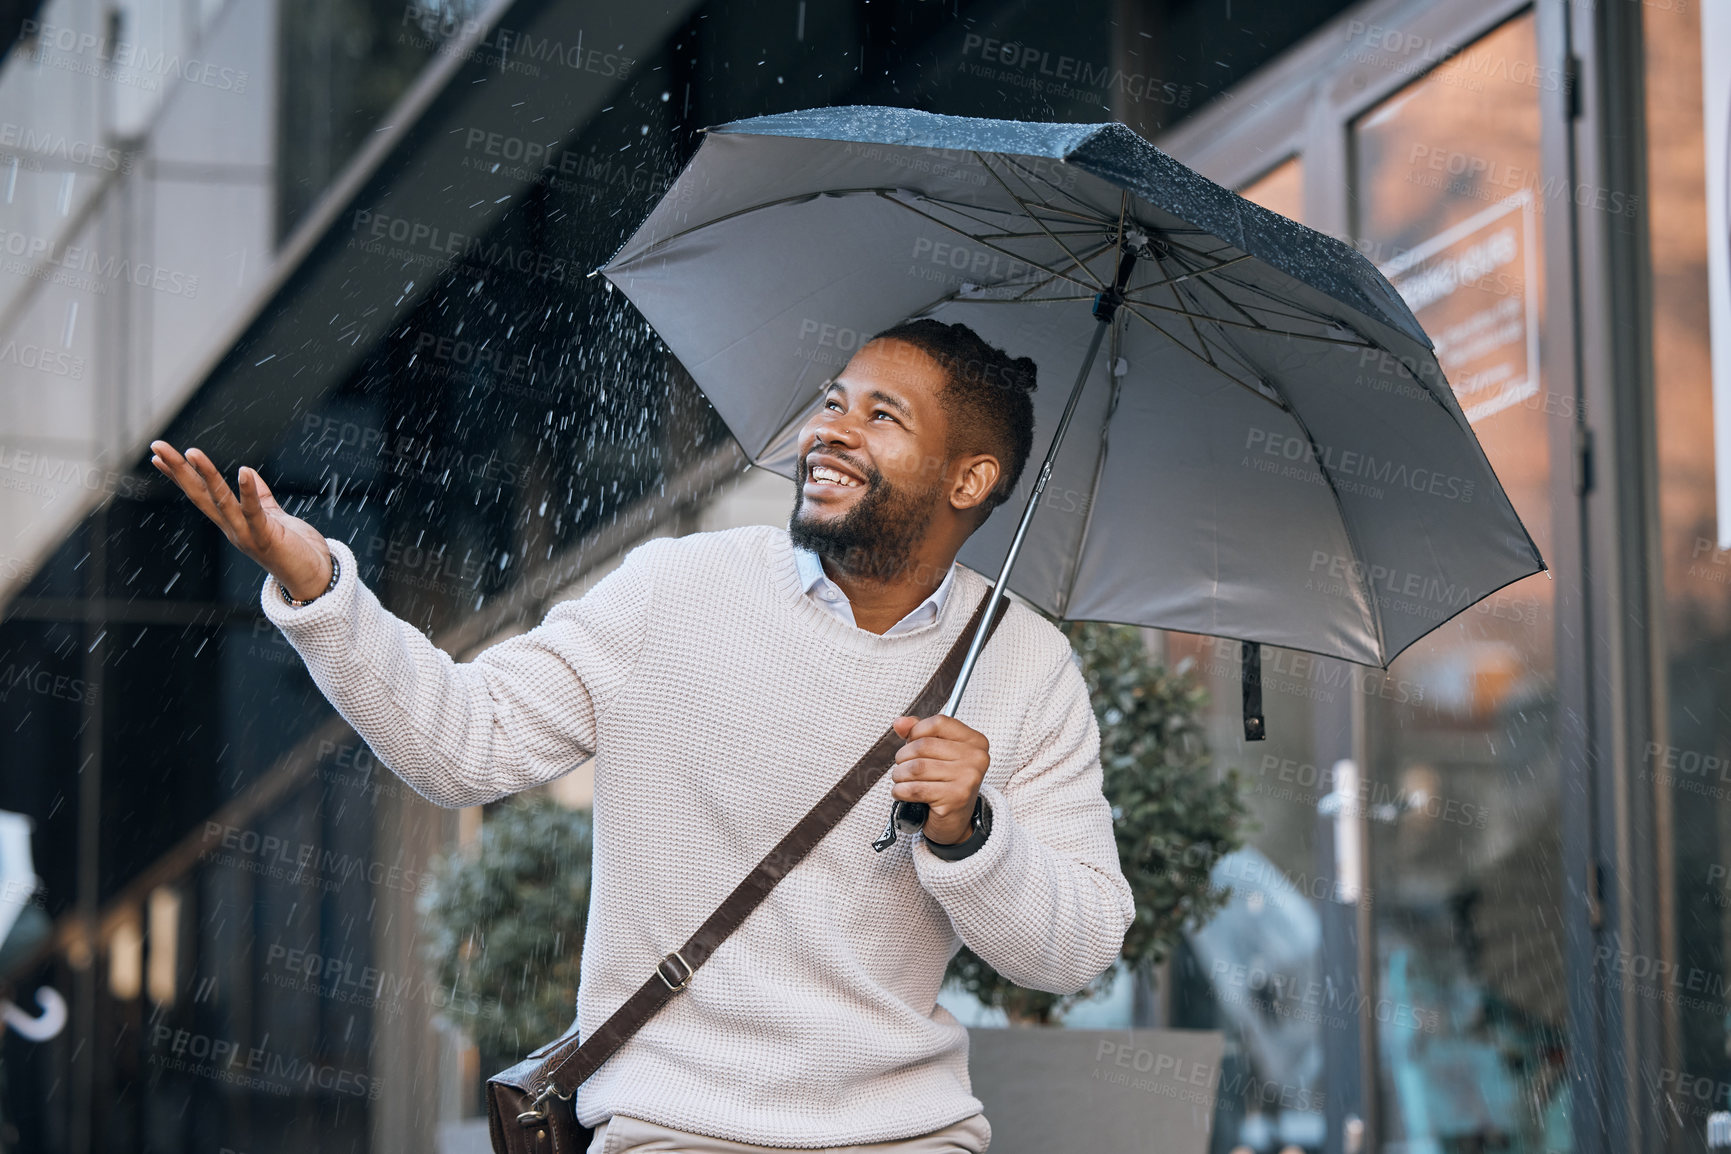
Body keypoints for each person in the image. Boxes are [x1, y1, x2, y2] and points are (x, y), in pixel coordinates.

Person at [149, 319, 1133, 1154]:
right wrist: (322, 589)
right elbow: (464, 741)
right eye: (834, 401)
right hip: (676, 1130)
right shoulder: (677, 590)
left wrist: (972, 830)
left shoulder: (1024, 662)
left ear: (972, 478)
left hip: (909, 1136)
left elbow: (1075, 948)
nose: (831, 431)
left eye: (882, 415)